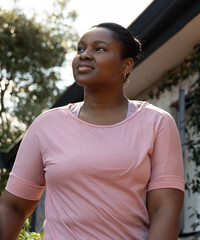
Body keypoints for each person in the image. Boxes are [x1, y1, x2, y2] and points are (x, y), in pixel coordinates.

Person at [0, 22, 185, 240]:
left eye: (99, 49)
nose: (85, 55)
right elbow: (13, 207)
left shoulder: (156, 123)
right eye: (80, 49)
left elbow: (164, 211)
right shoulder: (46, 125)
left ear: (126, 65)